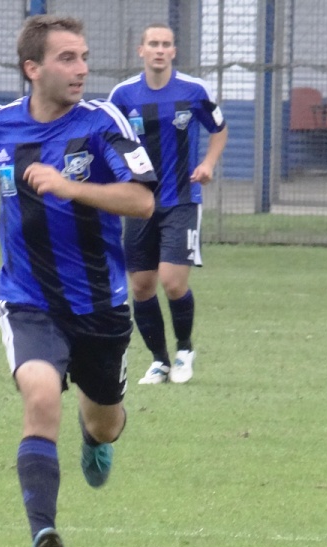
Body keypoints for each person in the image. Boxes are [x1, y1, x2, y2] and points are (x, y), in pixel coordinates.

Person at [0, 15, 156, 547]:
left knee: (105, 422)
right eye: (68, 58)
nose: (82, 69)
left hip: (100, 306)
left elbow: (142, 201)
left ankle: (95, 439)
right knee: (41, 398)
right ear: (32, 68)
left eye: (84, 57)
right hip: (27, 299)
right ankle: (44, 535)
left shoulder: (102, 123)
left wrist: (71, 186)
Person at [107, 23, 228, 384]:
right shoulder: (123, 95)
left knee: (173, 282)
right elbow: (107, 138)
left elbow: (219, 128)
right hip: (139, 202)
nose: (159, 50)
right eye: (153, 44)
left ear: (174, 51)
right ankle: (159, 361)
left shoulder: (193, 90)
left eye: (166, 44)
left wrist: (208, 164)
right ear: (141, 50)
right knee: (142, 286)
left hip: (182, 200)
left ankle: (184, 351)